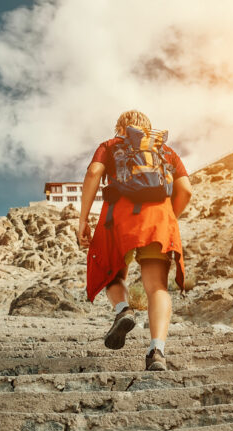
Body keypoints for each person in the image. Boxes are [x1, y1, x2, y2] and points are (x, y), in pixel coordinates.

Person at [77, 110, 192, 371]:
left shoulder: (110, 146)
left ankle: (123, 310)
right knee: (157, 287)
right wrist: (169, 217)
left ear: (120, 127)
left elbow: (94, 172)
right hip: (158, 221)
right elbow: (186, 190)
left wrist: (83, 220)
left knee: (112, 275)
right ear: (148, 129)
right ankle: (157, 352)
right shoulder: (166, 151)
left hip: (117, 220)